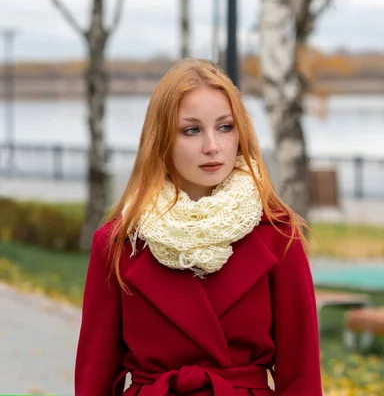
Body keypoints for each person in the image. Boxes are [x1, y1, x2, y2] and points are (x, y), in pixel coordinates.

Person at [74, 58, 323, 395]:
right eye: (191, 130)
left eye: (225, 127)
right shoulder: (119, 244)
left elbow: (301, 377)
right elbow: (94, 378)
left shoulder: (278, 236)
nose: (212, 146)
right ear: (161, 138)